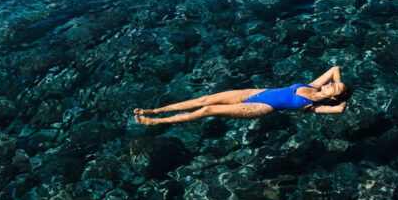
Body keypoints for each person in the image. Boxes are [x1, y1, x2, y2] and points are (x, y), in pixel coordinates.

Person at [133, 64, 349, 125]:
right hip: (255, 93)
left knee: (208, 110)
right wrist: (340, 87)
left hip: (259, 108)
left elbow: (339, 109)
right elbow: (335, 68)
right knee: (204, 99)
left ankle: (157, 121)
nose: (330, 84)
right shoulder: (314, 85)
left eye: (333, 88)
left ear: (332, 97)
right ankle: (155, 109)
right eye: (332, 84)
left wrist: (339, 101)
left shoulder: (313, 105)